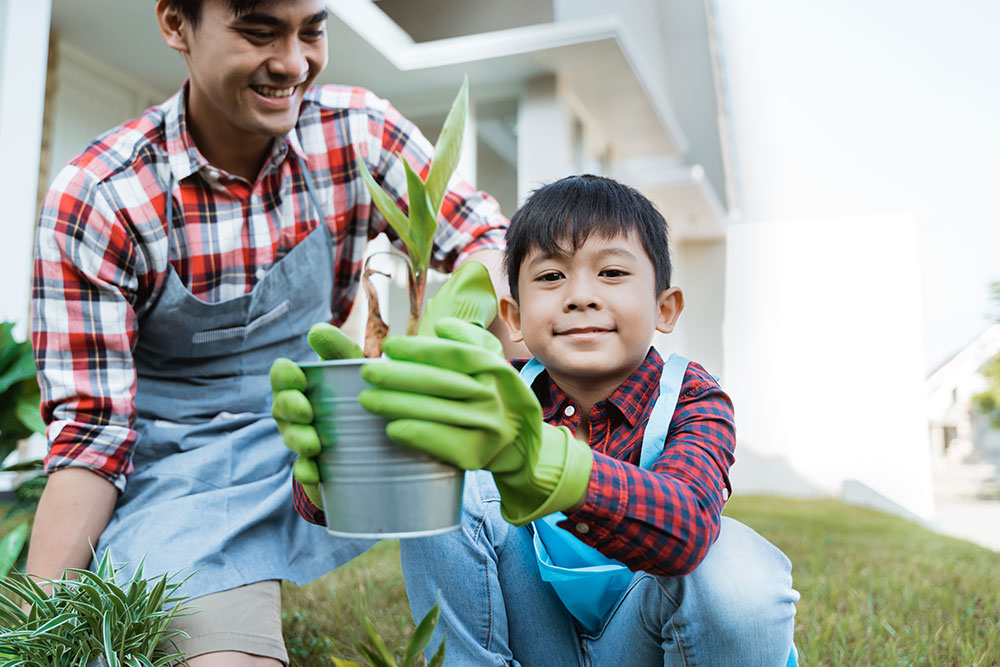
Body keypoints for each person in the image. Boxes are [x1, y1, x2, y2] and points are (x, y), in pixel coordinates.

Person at [27, 0, 508, 665]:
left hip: (329, 436)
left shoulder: (357, 133)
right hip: (185, 480)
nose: (293, 62)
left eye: (312, 30)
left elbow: (487, 239)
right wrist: (38, 627)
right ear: (175, 25)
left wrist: (449, 328)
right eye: (259, 32)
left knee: (499, 511)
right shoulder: (104, 197)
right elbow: (91, 437)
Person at [278, 174, 799, 665]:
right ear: (514, 318)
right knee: (450, 468)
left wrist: (549, 465)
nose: (580, 296)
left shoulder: (692, 399)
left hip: (645, 645)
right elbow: (383, 491)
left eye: (612, 272)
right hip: (540, 639)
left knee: (735, 568)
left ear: (666, 308)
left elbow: (687, 525)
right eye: (550, 276)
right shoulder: (496, 392)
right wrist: (339, 457)